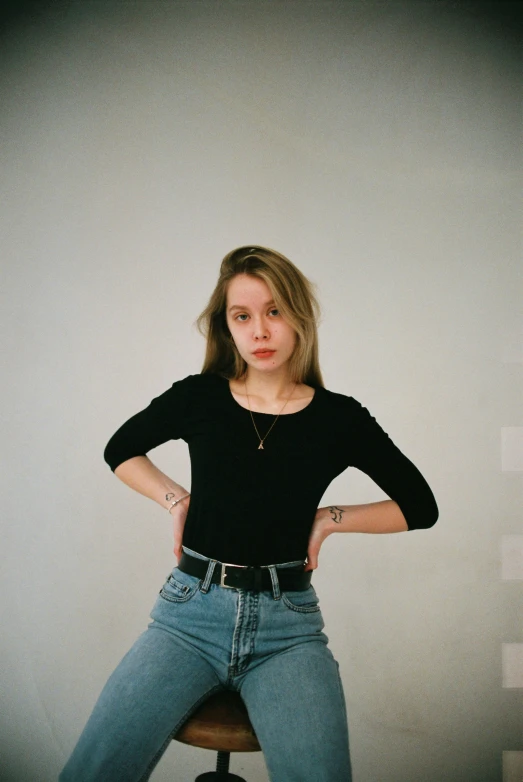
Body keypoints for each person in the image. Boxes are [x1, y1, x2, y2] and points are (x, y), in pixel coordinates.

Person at [60, 245, 438, 782]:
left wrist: (329, 519)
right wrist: (177, 499)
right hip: (187, 619)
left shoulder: (340, 418)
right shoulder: (200, 397)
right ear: (228, 327)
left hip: (288, 632)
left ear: (299, 317)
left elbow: (420, 506)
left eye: (274, 311)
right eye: (243, 316)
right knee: (92, 773)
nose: (260, 330)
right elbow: (120, 448)